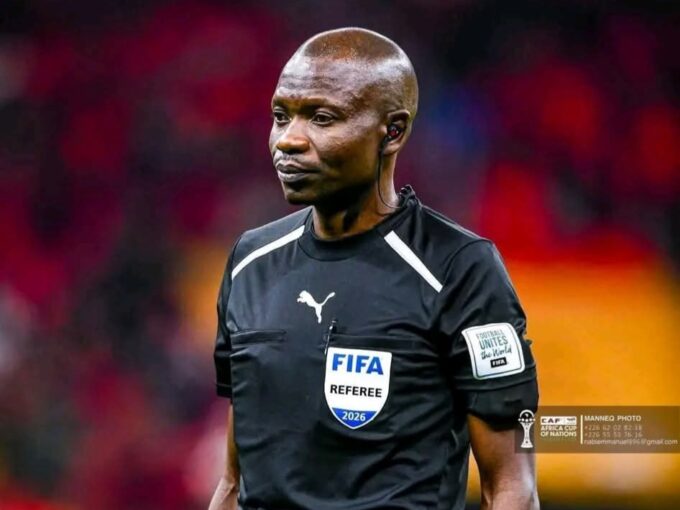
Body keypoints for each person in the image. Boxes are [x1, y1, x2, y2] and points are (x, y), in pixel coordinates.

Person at [209, 27, 539, 510]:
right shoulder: (249, 262)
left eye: (322, 118)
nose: (289, 140)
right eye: (281, 116)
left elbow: (511, 487)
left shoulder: (459, 269)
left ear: (393, 131)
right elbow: (233, 482)